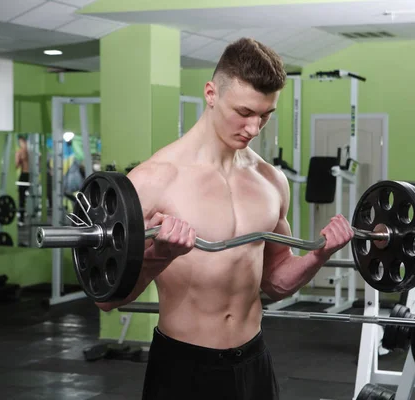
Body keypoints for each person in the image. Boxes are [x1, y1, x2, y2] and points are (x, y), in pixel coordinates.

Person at [96, 38, 355, 400]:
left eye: (265, 115)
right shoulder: (154, 180)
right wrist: (160, 255)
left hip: (254, 361)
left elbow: (276, 282)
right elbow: (107, 301)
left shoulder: (270, 180)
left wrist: (318, 254)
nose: (254, 129)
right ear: (211, 93)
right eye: (245, 112)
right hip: (183, 366)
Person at [15, 136, 29, 224]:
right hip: (31, 176)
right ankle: (24, 216)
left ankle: (22, 218)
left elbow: (16, 165)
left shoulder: (20, 152)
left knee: (22, 198)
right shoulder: (33, 152)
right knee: (24, 197)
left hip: (24, 175)